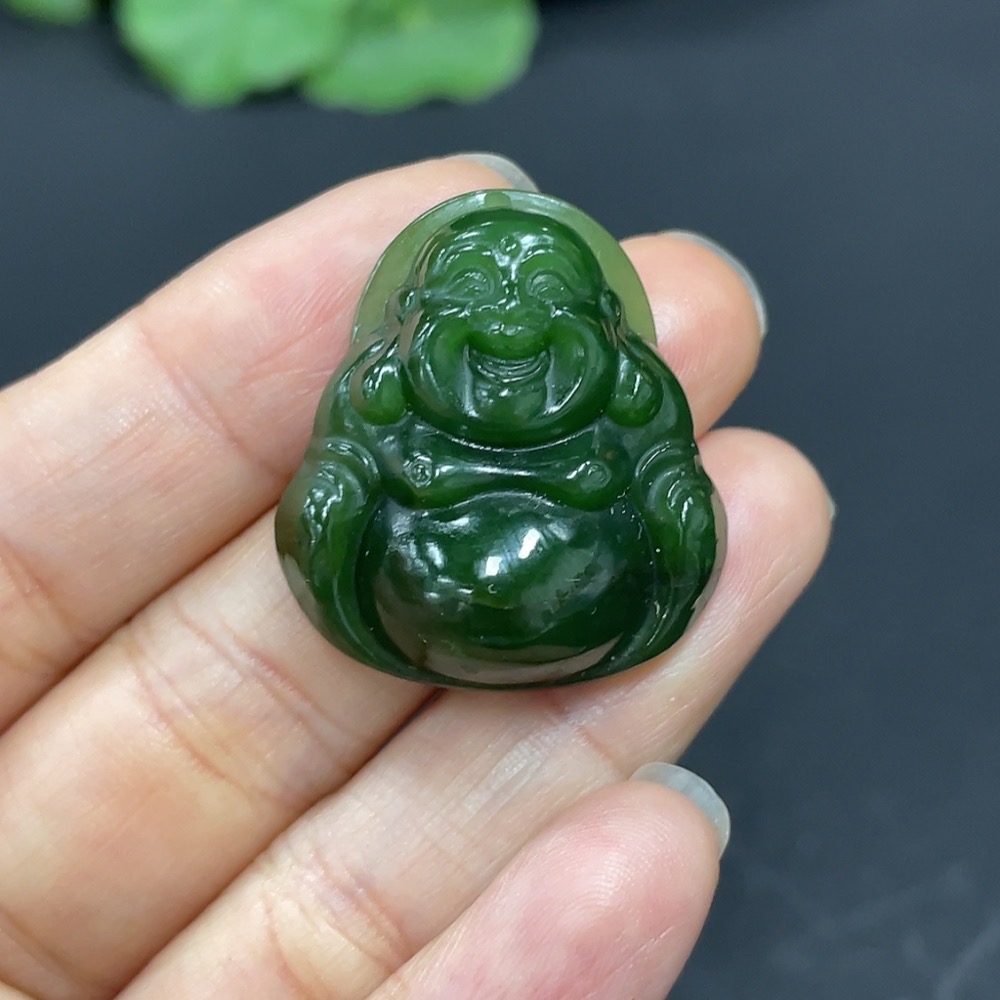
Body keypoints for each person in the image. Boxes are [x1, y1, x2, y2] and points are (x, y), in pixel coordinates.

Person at [0, 154, 832, 1000]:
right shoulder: (384, 405)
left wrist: (668, 533)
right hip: (408, 609)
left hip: (598, 613)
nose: (510, 324)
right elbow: (333, 491)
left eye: (549, 295)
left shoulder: (630, 409)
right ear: (409, 321)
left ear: (608, 324)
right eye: (470, 292)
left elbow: (672, 490)